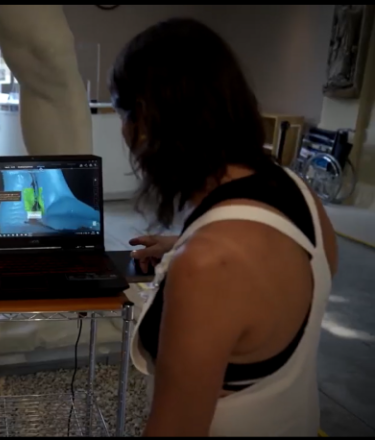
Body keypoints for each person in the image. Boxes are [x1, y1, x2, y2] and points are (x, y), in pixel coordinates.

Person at [112, 19, 338, 436]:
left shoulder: (208, 263)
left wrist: (195, 253)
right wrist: (184, 241)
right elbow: (266, 268)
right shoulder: (299, 194)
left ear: (143, 121)